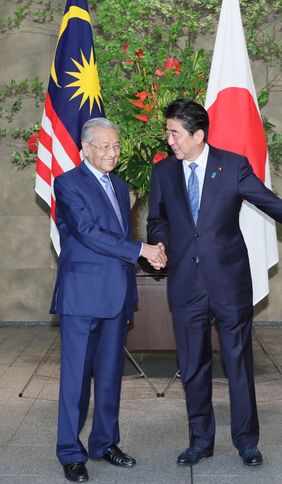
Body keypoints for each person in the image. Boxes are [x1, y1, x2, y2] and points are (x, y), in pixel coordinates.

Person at [147, 99, 282, 468]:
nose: (168, 139)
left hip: (229, 283)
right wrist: (159, 242)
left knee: (237, 361)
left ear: (198, 135)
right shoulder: (164, 173)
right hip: (186, 283)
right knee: (193, 365)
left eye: (174, 133)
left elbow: (269, 202)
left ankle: (247, 441)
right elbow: (157, 218)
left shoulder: (231, 166)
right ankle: (200, 440)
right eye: (167, 131)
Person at [50, 117, 166, 482]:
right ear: (84, 148)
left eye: (115, 146)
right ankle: (70, 451)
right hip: (82, 298)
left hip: (116, 296)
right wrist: (143, 249)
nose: (112, 153)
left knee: (111, 377)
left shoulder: (119, 185)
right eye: (103, 146)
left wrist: (145, 251)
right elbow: (88, 233)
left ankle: (104, 443)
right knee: (75, 380)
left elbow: (120, 236)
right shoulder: (68, 183)